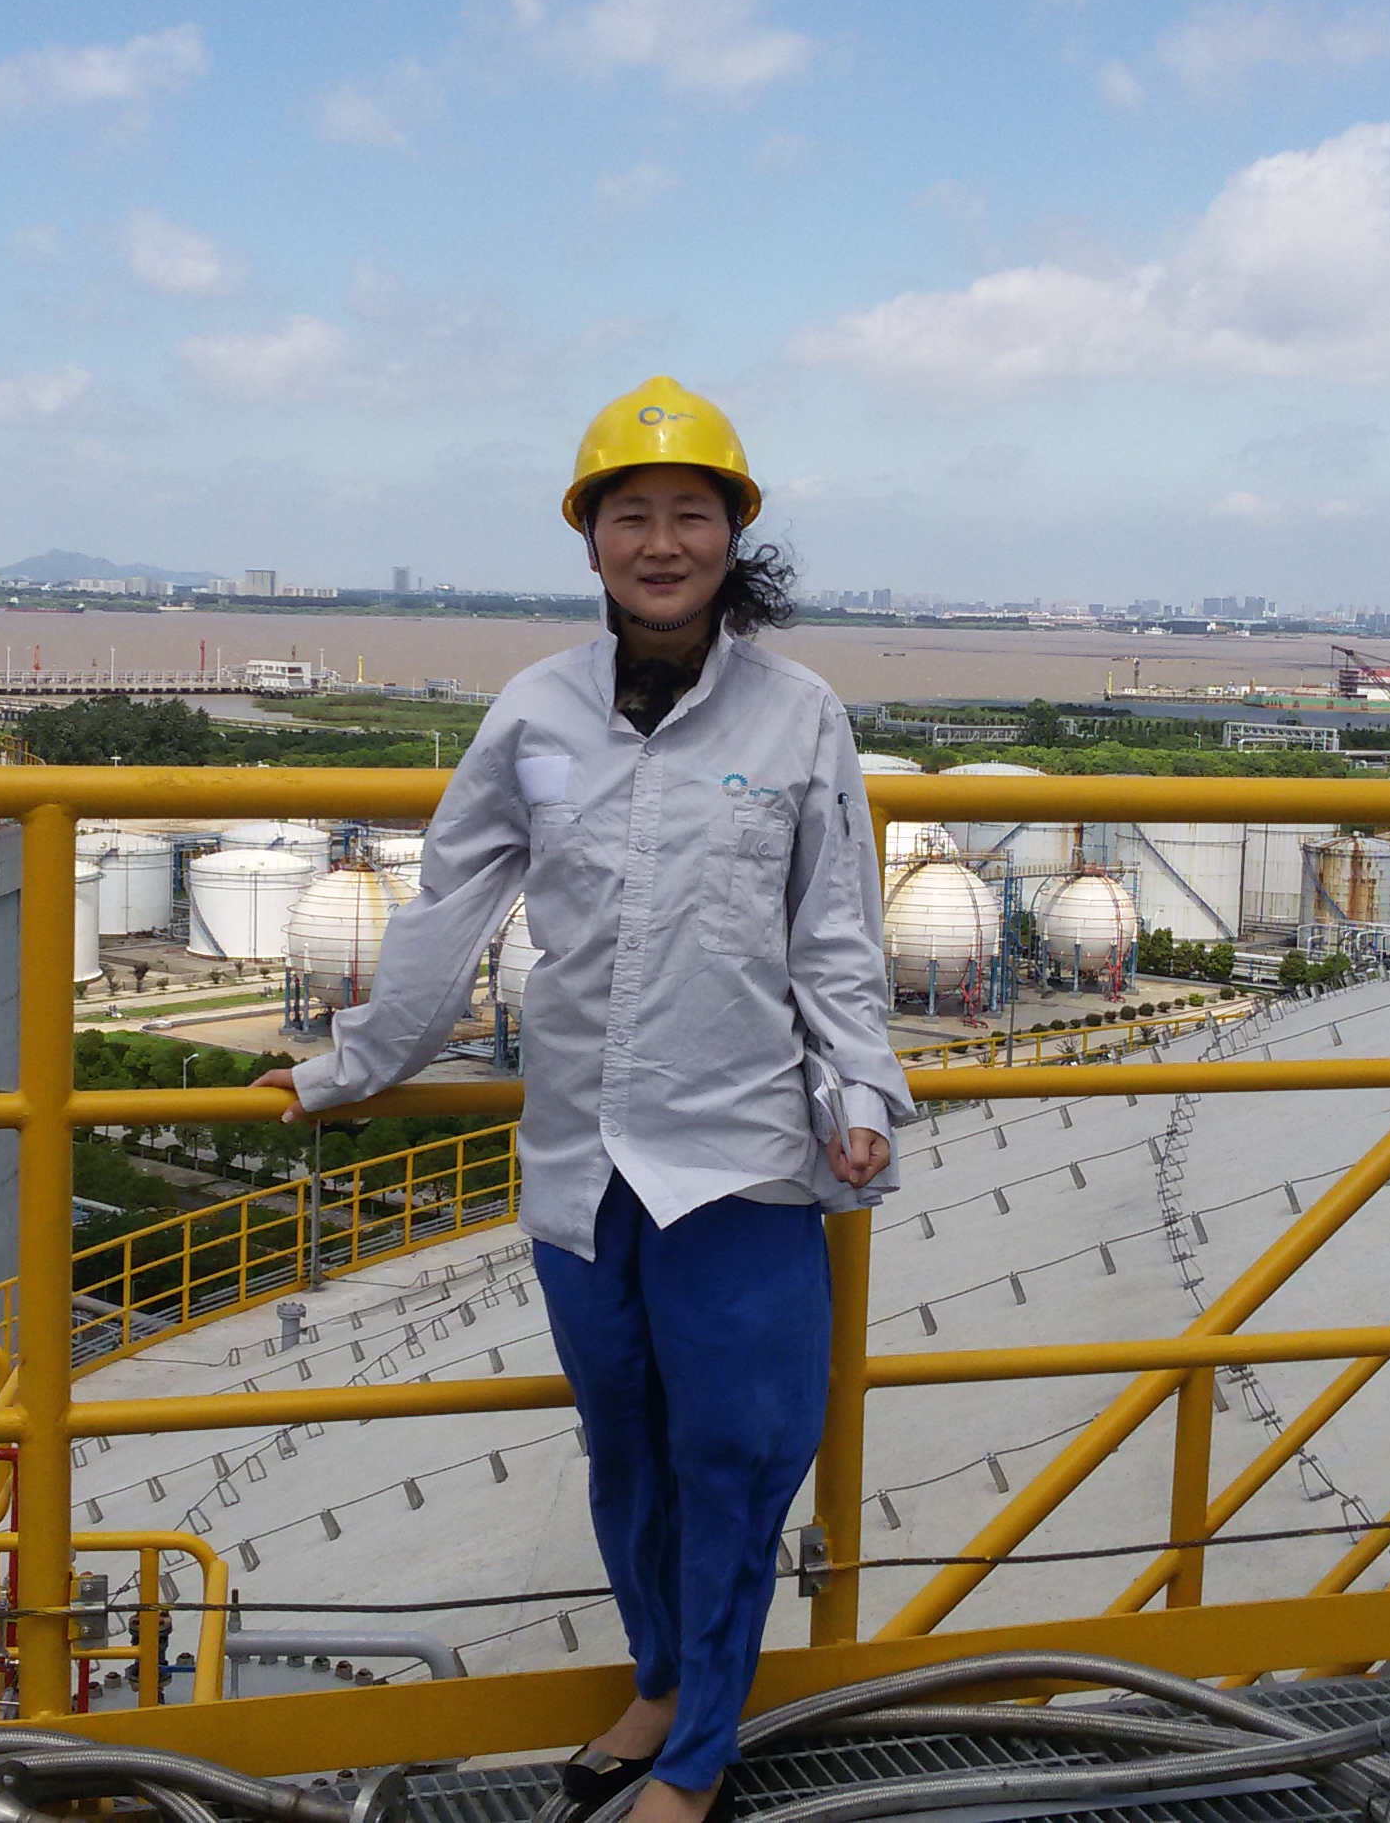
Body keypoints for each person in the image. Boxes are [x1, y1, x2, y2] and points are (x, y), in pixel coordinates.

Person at [254, 376, 911, 1823]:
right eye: (633, 516)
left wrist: (862, 1085)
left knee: (737, 1459)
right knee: (627, 1452)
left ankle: (698, 1757)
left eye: (692, 515)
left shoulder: (800, 717)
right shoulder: (534, 711)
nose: (662, 543)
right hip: (581, 1163)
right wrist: (346, 1069)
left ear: (734, 535)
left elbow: (836, 935)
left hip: (740, 1155)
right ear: (591, 538)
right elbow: (446, 910)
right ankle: (662, 1680)